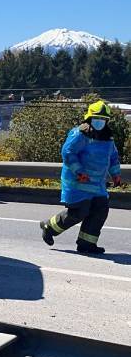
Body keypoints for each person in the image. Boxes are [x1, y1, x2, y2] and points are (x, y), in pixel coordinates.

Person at [40, 100, 121, 254]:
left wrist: (116, 174)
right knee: (79, 212)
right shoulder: (79, 134)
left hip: (97, 185)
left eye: (103, 120)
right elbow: (68, 153)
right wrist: (79, 171)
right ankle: (49, 227)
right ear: (89, 119)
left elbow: (113, 157)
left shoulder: (108, 139)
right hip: (78, 182)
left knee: (100, 210)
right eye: (97, 119)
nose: (100, 123)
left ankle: (86, 244)